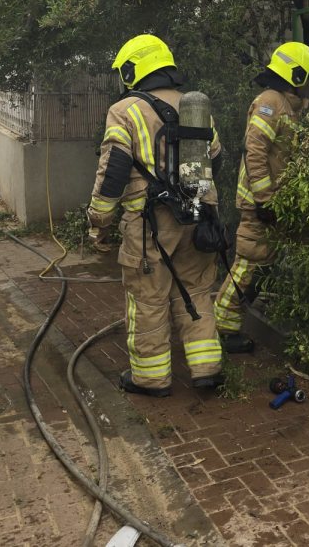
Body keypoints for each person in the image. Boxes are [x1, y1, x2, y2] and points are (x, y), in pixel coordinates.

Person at [86, 34, 225, 397]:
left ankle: (150, 378)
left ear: (132, 70)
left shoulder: (125, 110)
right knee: (196, 290)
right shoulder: (195, 106)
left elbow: (114, 170)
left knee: (148, 298)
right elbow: (216, 159)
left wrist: (99, 220)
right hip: (199, 217)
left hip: (150, 224)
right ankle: (206, 369)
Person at [214, 41, 309, 353]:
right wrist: (264, 200)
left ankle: (233, 322)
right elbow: (255, 151)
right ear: (296, 75)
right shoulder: (270, 102)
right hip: (260, 204)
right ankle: (223, 329)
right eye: (308, 77)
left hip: (276, 203)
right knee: (248, 265)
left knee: (263, 266)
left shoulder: (288, 105)